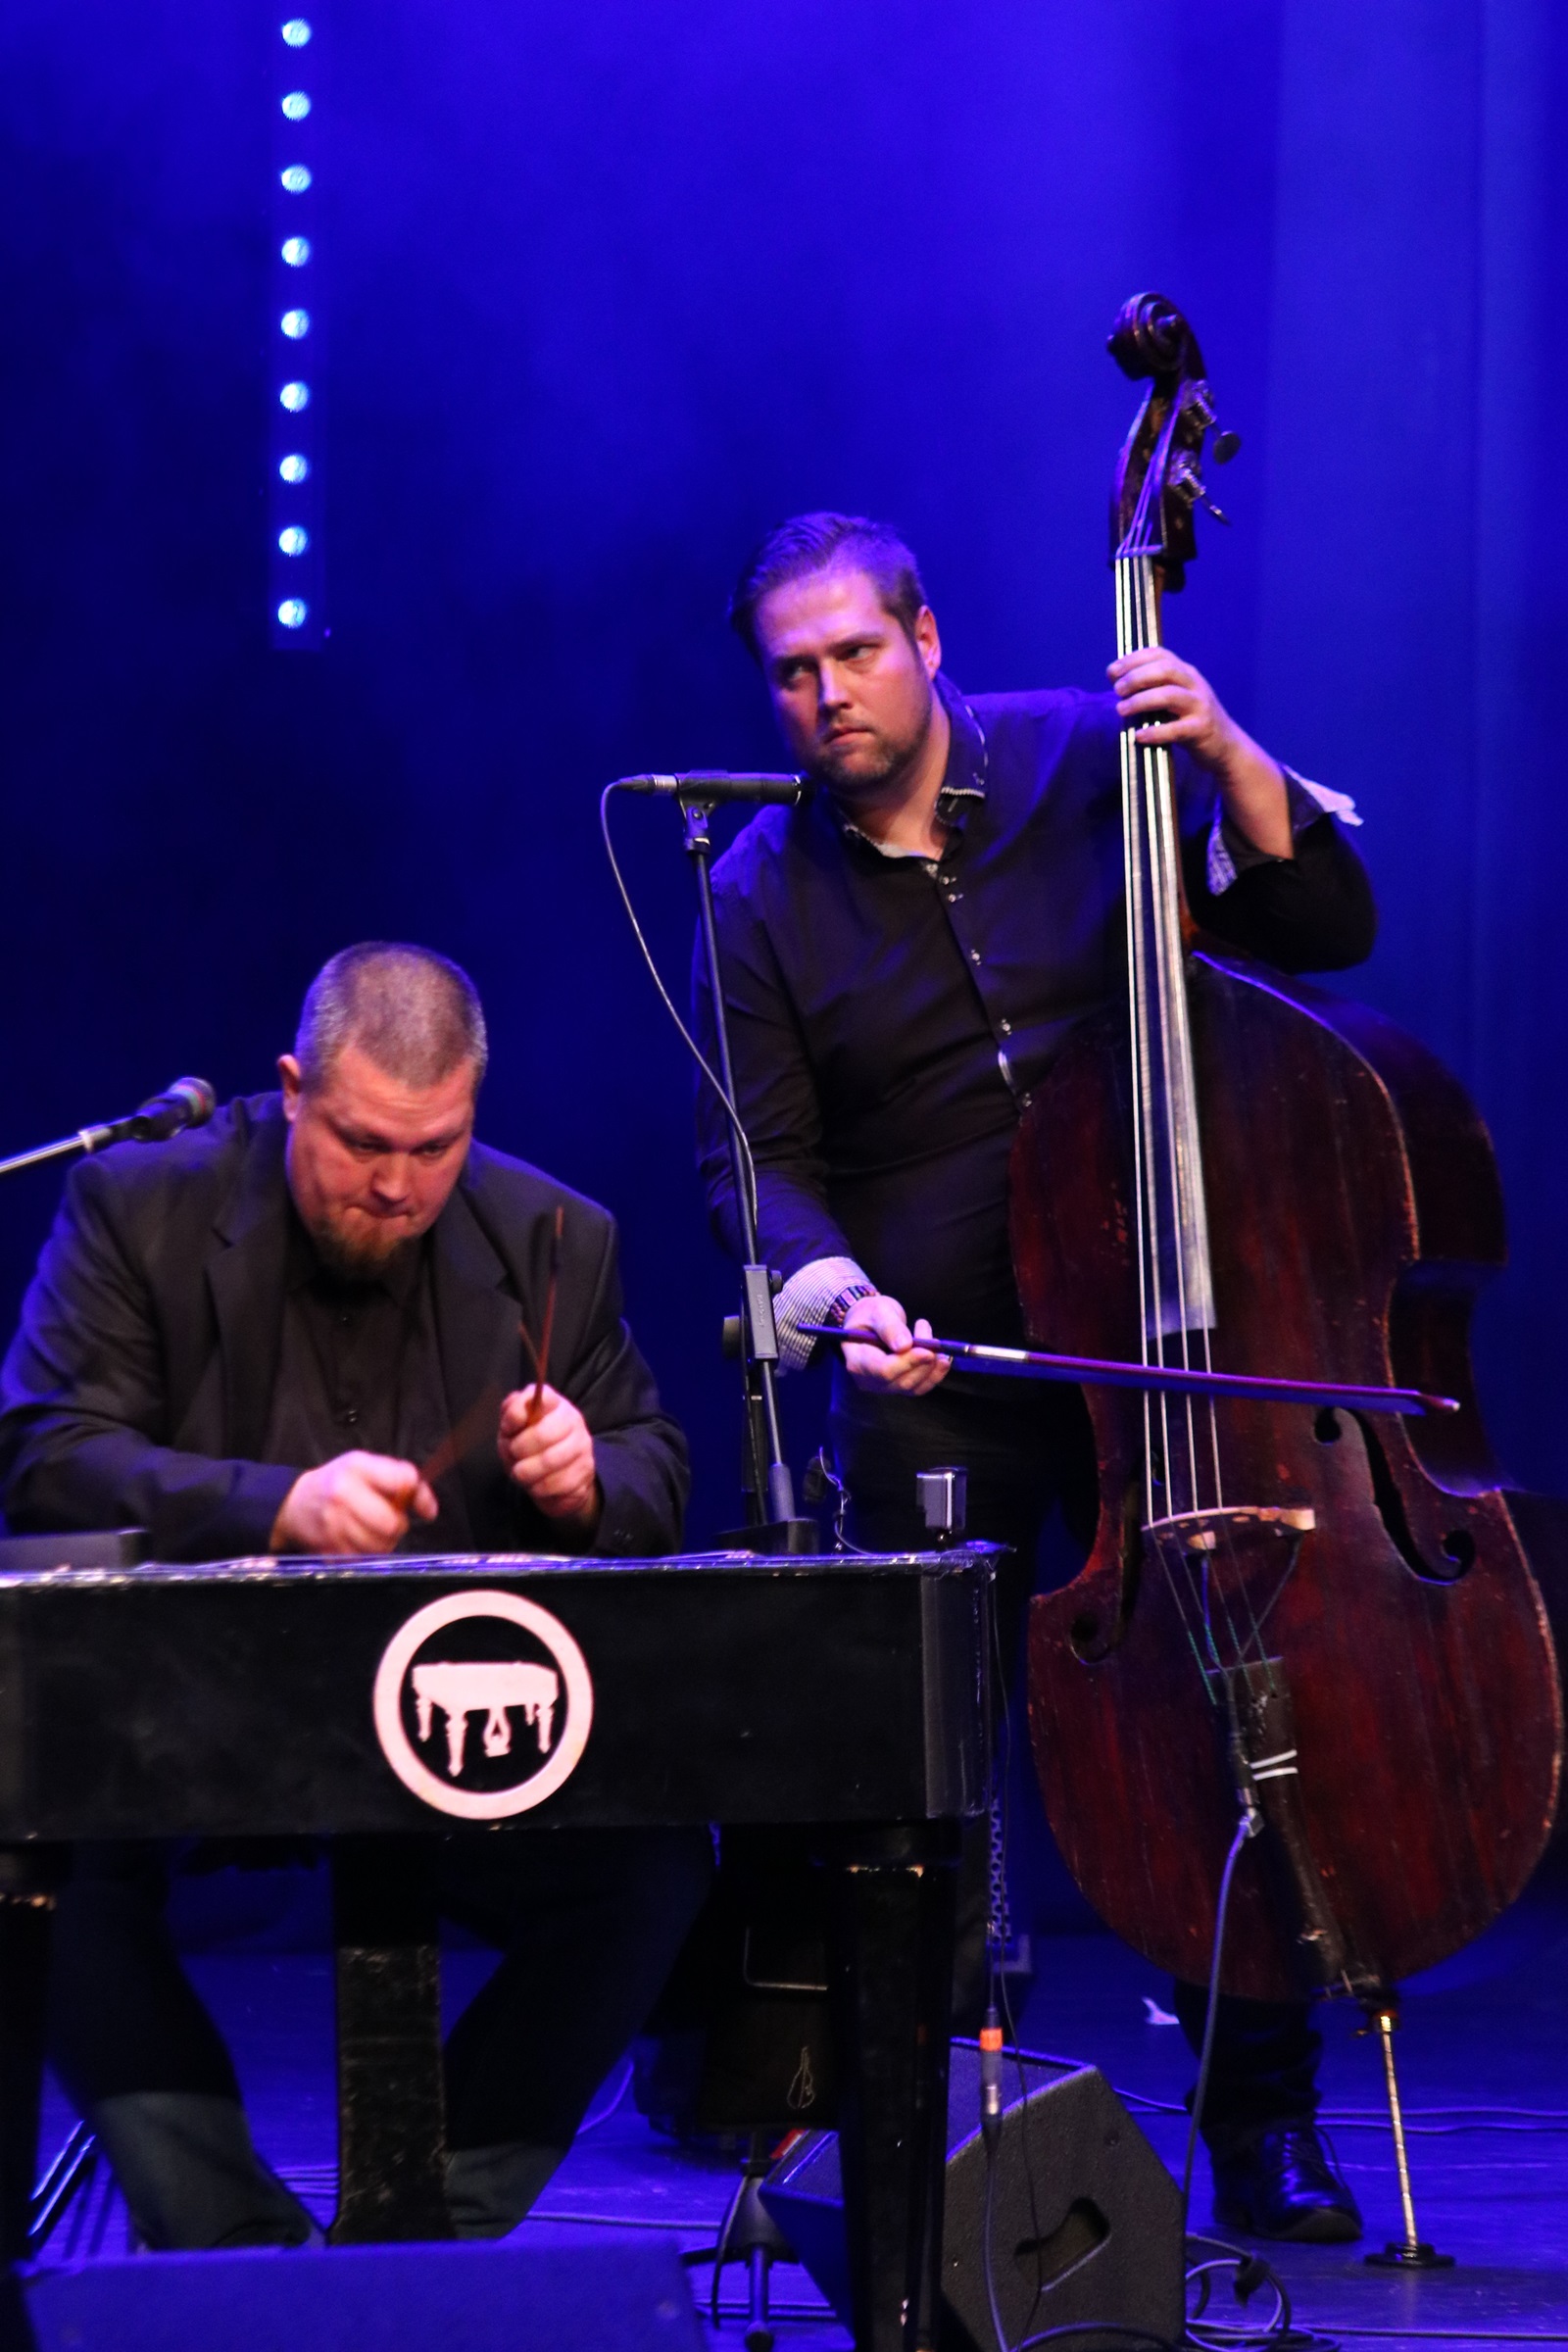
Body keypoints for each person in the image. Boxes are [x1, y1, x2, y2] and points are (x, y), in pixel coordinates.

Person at [694, 512, 1375, 2243]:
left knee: (1231, 1721)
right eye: (793, 671)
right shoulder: (755, 895)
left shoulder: (1090, 756)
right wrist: (843, 1298)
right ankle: (908, 2118)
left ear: (925, 636)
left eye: (856, 652)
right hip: (946, 1363)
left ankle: (1262, 2117)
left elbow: (1324, 925)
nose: (829, 694)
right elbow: (755, 1164)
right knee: (924, 1753)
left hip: (1173, 1341)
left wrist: (1231, 756)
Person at [0, 942, 711, 2249]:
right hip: (186, 1716)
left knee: (648, 1872)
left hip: (451, 1729)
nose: (396, 1186)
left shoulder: (551, 1234)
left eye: (434, 1149)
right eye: (363, 1144)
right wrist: (276, 1508)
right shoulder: (138, 1206)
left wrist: (585, 1479)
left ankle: (426, 2234)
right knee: (32, 1865)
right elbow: (46, 1453)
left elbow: (654, 1465)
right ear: (293, 1090)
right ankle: (235, 2249)